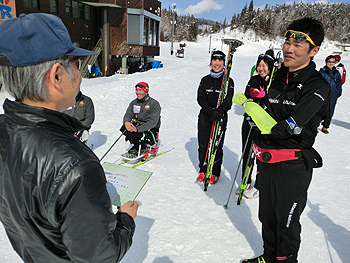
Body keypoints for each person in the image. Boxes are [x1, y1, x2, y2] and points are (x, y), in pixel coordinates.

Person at [0, 13, 138, 262]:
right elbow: (98, 256)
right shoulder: (76, 165)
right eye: (75, 64)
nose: (79, 73)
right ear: (56, 76)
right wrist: (126, 221)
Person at [239, 17, 331, 263]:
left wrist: (266, 125)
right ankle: (268, 257)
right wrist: (253, 111)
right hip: (266, 163)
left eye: (298, 44)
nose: (289, 48)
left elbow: (290, 126)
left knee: (286, 223)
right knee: (266, 217)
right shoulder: (278, 77)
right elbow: (266, 113)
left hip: (292, 167)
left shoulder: (318, 85)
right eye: (288, 41)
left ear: (314, 51)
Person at [238, 50, 275, 199]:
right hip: (249, 122)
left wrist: (265, 95)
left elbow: (275, 101)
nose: (261, 68)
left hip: (265, 125)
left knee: (261, 154)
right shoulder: (254, 79)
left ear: (270, 67)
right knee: (247, 152)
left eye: (264, 66)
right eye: (259, 65)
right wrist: (250, 94)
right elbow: (247, 94)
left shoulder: (274, 82)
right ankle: (245, 182)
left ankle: (259, 186)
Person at [196, 50, 234, 184]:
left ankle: (215, 172)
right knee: (203, 144)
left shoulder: (228, 81)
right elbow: (200, 98)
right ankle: (203, 169)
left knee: (216, 145)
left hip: (220, 117)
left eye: (220, 60)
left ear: (224, 63)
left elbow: (228, 102)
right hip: (205, 117)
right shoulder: (205, 80)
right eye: (214, 60)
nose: (217, 63)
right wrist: (210, 111)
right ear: (211, 62)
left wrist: (219, 112)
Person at [121, 81, 161, 158]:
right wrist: (127, 123)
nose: (137, 92)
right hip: (137, 124)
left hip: (150, 128)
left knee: (137, 133)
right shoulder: (134, 103)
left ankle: (143, 147)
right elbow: (128, 114)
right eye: (136, 90)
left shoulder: (154, 104)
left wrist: (137, 129)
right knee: (124, 129)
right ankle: (137, 146)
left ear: (146, 91)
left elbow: (153, 122)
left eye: (140, 90)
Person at [319, 55, 342, 134]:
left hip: (333, 95)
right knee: (319, 110)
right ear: (326, 62)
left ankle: (325, 126)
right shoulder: (321, 72)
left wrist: (337, 93)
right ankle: (314, 126)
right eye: (329, 61)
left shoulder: (337, 73)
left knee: (330, 111)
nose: (331, 63)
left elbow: (339, 84)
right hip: (323, 94)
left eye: (333, 62)